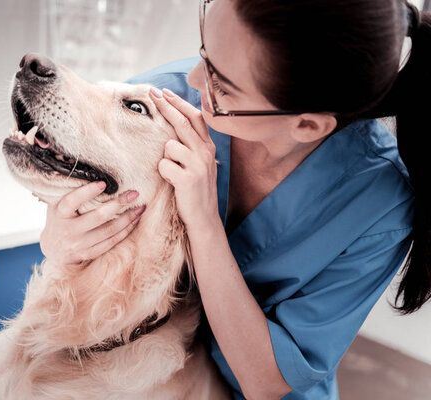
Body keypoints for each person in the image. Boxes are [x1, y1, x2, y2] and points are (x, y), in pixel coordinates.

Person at [38, 0, 431, 398]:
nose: (192, 79)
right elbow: (72, 217)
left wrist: (205, 222)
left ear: (307, 124)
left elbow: (265, 381)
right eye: (204, 51)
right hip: (126, 377)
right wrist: (59, 239)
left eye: (221, 83)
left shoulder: (378, 206)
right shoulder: (164, 101)